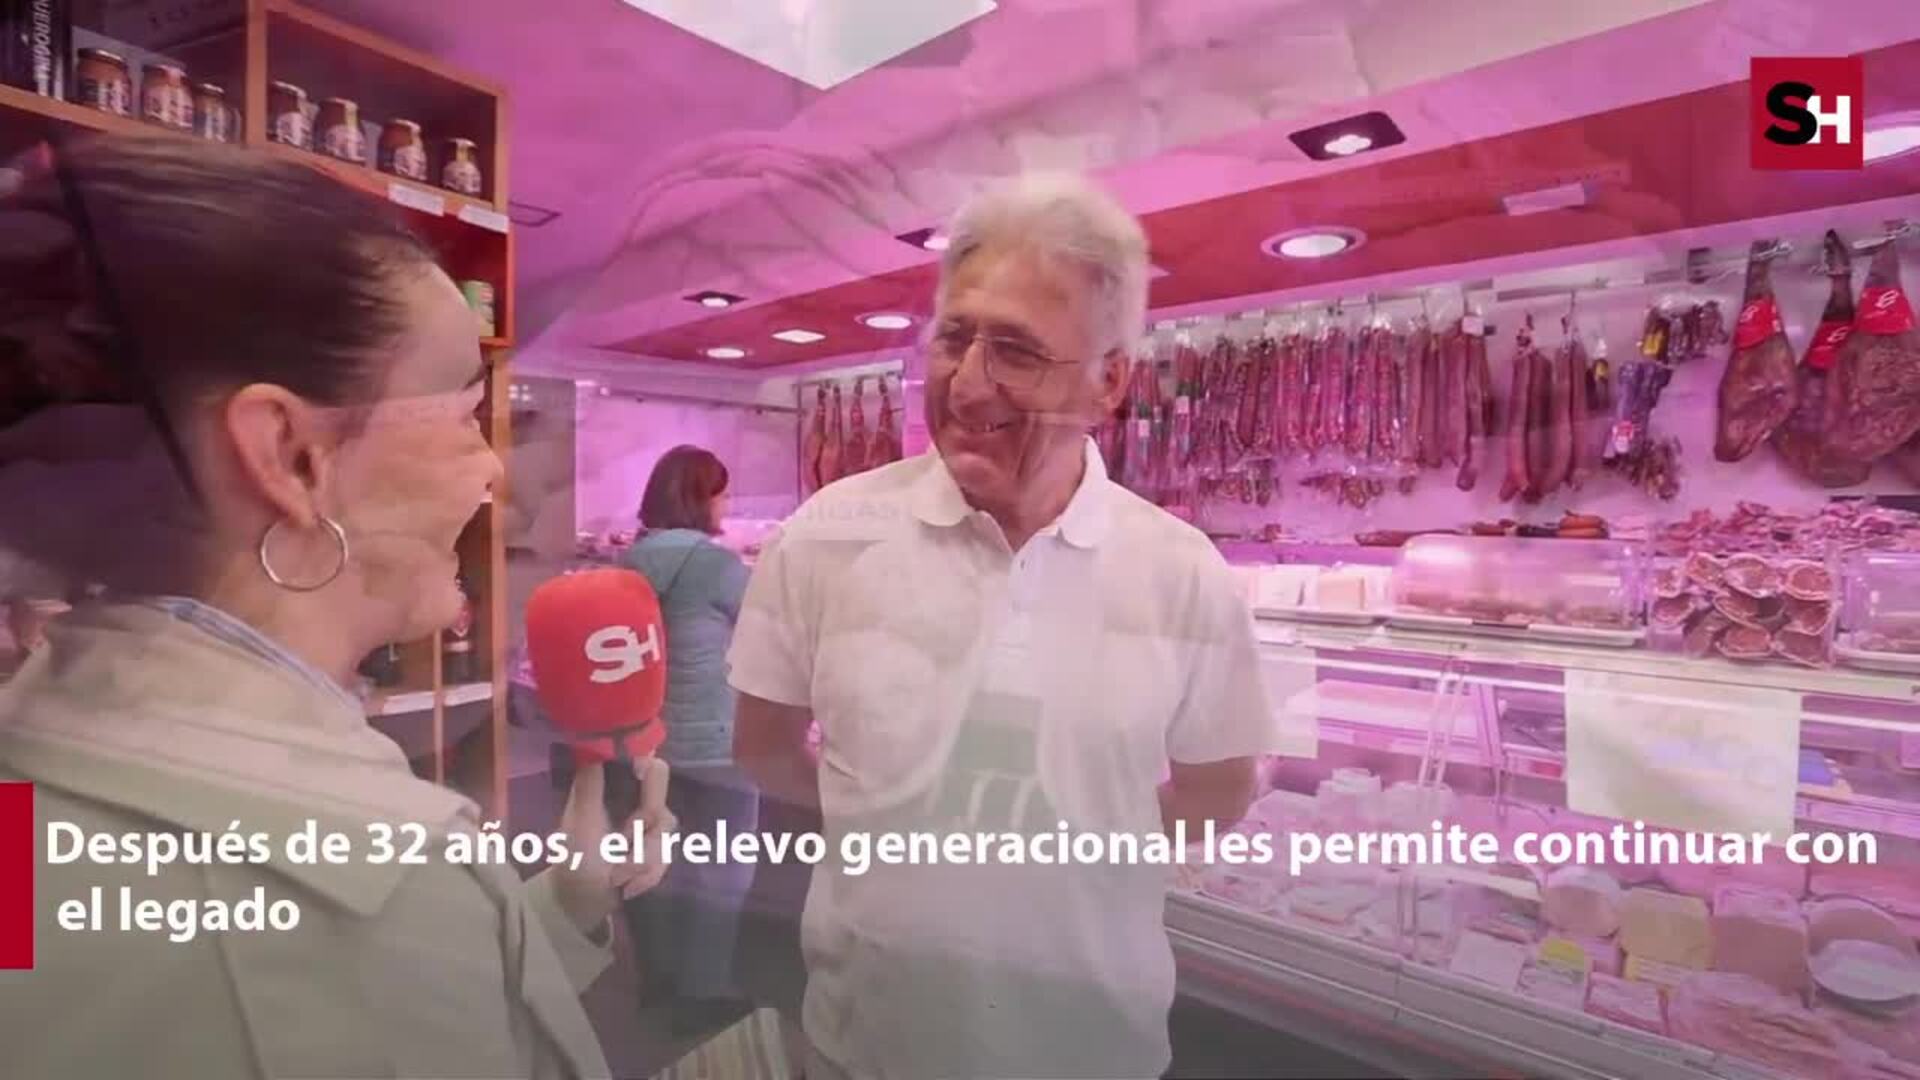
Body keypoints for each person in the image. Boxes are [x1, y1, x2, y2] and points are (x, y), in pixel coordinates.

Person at [0, 133, 670, 1079]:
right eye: (463, 415)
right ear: (290, 455)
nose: (491, 474)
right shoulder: (370, 880)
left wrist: (563, 906)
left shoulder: (44, 772)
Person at [728, 172, 1282, 1079]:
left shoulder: (1181, 572)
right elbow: (764, 746)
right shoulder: (827, 535)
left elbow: (1217, 791)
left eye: (1017, 351)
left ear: (1110, 380)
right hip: (863, 1047)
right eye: (954, 337)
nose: (967, 383)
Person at [618, 444, 757, 1030]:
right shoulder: (714, 565)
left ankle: (658, 980)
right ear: (702, 498)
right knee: (722, 868)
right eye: (722, 493)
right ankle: (702, 991)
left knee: (657, 860)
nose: (727, 504)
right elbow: (767, 627)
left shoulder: (629, 561)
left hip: (647, 739)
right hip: (718, 740)